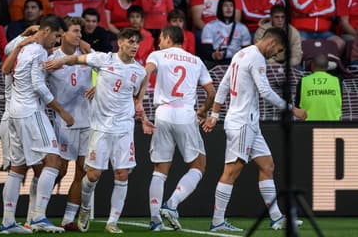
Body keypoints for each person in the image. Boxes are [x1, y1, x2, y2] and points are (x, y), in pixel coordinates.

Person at [44, 28, 150, 234]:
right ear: (120, 42)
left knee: (122, 174)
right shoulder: (103, 59)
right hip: (101, 127)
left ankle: (112, 221)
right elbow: (77, 59)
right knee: (92, 175)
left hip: (124, 128)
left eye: (137, 43)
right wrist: (60, 62)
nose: (135, 46)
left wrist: (143, 116)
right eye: (131, 42)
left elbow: (138, 98)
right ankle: (84, 209)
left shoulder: (140, 71)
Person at [202, 27, 307, 232]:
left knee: (267, 166)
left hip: (249, 123)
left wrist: (214, 116)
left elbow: (223, 86)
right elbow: (265, 91)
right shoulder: (257, 57)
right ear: (271, 43)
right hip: (242, 123)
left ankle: (276, 218)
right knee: (231, 172)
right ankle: (217, 221)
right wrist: (292, 109)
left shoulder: (241, 54)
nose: (277, 54)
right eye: (278, 49)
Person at [0, 15, 71, 234]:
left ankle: (8, 222)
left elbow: (5, 63)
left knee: (17, 168)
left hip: (11, 113)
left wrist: (24, 36)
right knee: (53, 160)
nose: (57, 42)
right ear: (47, 31)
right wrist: (62, 111)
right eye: (57, 36)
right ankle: (39, 216)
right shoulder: (38, 51)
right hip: (31, 112)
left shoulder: (20, 47)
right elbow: (38, 85)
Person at [145, 25, 216, 231]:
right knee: (198, 165)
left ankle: (155, 221)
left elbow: (145, 73)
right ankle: (172, 204)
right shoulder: (196, 60)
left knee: (160, 170)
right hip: (185, 113)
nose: (158, 42)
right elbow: (212, 93)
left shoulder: (157, 55)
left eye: (160, 38)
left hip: (163, 113)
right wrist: (202, 112)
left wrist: (137, 98)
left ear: (168, 38)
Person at [45, 16, 94, 231]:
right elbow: (39, 88)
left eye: (80, 32)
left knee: (81, 171)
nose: (79, 35)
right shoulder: (51, 58)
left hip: (87, 121)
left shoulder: (86, 57)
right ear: (63, 33)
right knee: (59, 170)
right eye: (75, 31)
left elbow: (110, 70)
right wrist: (60, 111)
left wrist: (99, 85)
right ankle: (37, 212)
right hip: (64, 123)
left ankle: (68, 219)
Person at [201, 0, 251, 68]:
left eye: (231, 5)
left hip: (237, 63)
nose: (229, 8)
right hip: (217, 63)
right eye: (225, 5)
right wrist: (214, 55)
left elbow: (248, 51)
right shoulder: (209, 27)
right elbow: (206, 51)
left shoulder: (242, 28)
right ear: (219, 8)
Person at [295, 54, 342, 121]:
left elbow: (298, 107)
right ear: (327, 67)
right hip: (332, 125)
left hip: (308, 126)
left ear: (312, 65)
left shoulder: (303, 82)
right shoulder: (337, 81)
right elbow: (339, 103)